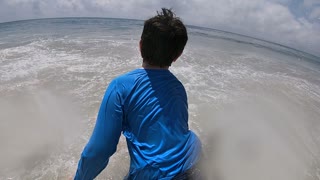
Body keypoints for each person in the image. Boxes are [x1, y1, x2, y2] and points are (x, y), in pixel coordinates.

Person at [74, 8, 202, 180]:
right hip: (196, 162)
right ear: (177, 55)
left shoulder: (120, 86)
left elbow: (99, 151)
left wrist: (79, 178)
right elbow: (168, 139)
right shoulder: (179, 88)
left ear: (140, 45)